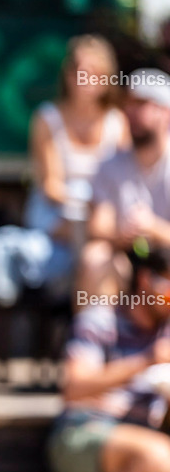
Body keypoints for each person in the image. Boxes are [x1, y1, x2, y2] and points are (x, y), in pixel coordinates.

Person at [48, 246, 170, 472]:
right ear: (148, 281)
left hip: (141, 453)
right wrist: (145, 361)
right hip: (79, 436)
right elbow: (73, 388)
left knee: (156, 461)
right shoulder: (99, 320)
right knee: (157, 458)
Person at [0, 35, 129, 306]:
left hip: (98, 216)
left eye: (93, 73)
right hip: (58, 213)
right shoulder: (47, 118)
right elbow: (51, 185)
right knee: (90, 252)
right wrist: (87, 210)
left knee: (98, 250)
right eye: (79, 71)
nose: (85, 79)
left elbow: (124, 182)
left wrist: (97, 213)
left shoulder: (118, 123)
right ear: (67, 75)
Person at [81, 68, 170, 300]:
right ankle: (93, 334)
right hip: (128, 268)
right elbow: (98, 228)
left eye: (141, 104)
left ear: (166, 111)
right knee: (95, 257)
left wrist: (153, 229)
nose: (131, 112)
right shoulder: (110, 165)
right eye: (128, 104)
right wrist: (123, 235)